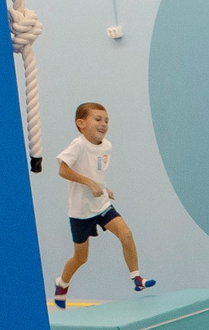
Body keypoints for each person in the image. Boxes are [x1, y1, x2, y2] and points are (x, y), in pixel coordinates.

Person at [52, 102, 152, 305]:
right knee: (81, 258)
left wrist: (103, 189)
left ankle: (137, 277)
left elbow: (96, 172)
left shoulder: (107, 146)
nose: (103, 124)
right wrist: (89, 183)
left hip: (102, 205)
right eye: (97, 119)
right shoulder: (78, 145)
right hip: (81, 211)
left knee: (126, 234)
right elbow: (63, 170)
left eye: (106, 120)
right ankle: (62, 283)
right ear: (81, 123)